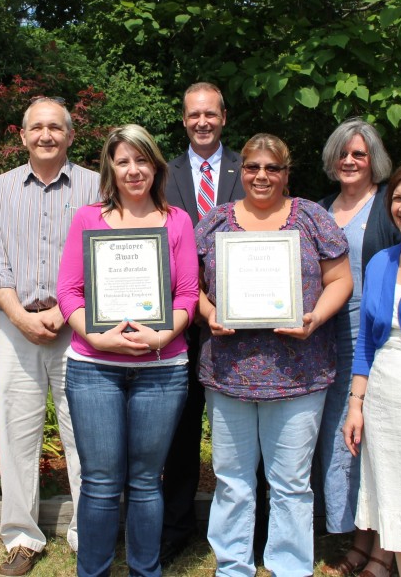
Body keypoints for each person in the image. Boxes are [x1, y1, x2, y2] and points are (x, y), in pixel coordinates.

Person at [196, 133, 352, 577]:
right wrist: (209, 313)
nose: (261, 176)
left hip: (299, 374)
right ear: (241, 171)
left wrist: (315, 319)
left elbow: (340, 279)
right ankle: (233, 566)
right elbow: (191, 287)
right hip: (229, 374)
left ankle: (290, 566)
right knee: (232, 480)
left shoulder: (313, 218)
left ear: (286, 173)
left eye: (272, 168)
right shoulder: (216, 221)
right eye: (252, 167)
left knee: (291, 483)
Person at [57, 124, 199, 577]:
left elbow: (188, 295)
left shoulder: (177, 221)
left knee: (146, 482)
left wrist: (161, 336)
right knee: (100, 482)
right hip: (94, 366)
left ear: (155, 166)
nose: (133, 170)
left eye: (141, 160)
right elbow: (69, 292)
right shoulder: (88, 219)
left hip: (162, 366)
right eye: (123, 162)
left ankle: (145, 571)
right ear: (111, 169)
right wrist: (97, 337)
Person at [0, 97, 100, 576]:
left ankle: (86, 534)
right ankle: (22, 538)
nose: (46, 135)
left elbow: (103, 258)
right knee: (17, 435)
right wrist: (21, 317)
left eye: (55, 127)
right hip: (15, 328)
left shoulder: (96, 185)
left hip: (79, 329)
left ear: (70, 135)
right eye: (37, 127)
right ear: (23, 135)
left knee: (84, 435)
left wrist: (64, 313)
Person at [161, 81, 245, 564]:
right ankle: (177, 527)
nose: (202, 122)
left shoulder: (248, 169)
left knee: (240, 431)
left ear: (223, 117)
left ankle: (248, 527)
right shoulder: (162, 173)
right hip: (179, 321)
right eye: (194, 114)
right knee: (181, 428)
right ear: (184, 119)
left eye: (210, 113)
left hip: (239, 322)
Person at [317, 118, 400, 577]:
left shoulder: (389, 206)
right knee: (342, 439)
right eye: (343, 153)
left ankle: (384, 548)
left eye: (359, 154)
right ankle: (358, 535)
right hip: (324, 340)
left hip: (373, 342)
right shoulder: (319, 207)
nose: (349, 161)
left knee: (375, 441)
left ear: (374, 161)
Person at [343, 160, 401, 577]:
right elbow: (367, 343)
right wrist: (356, 404)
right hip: (385, 400)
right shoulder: (380, 263)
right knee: (397, 500)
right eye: (398, 199)